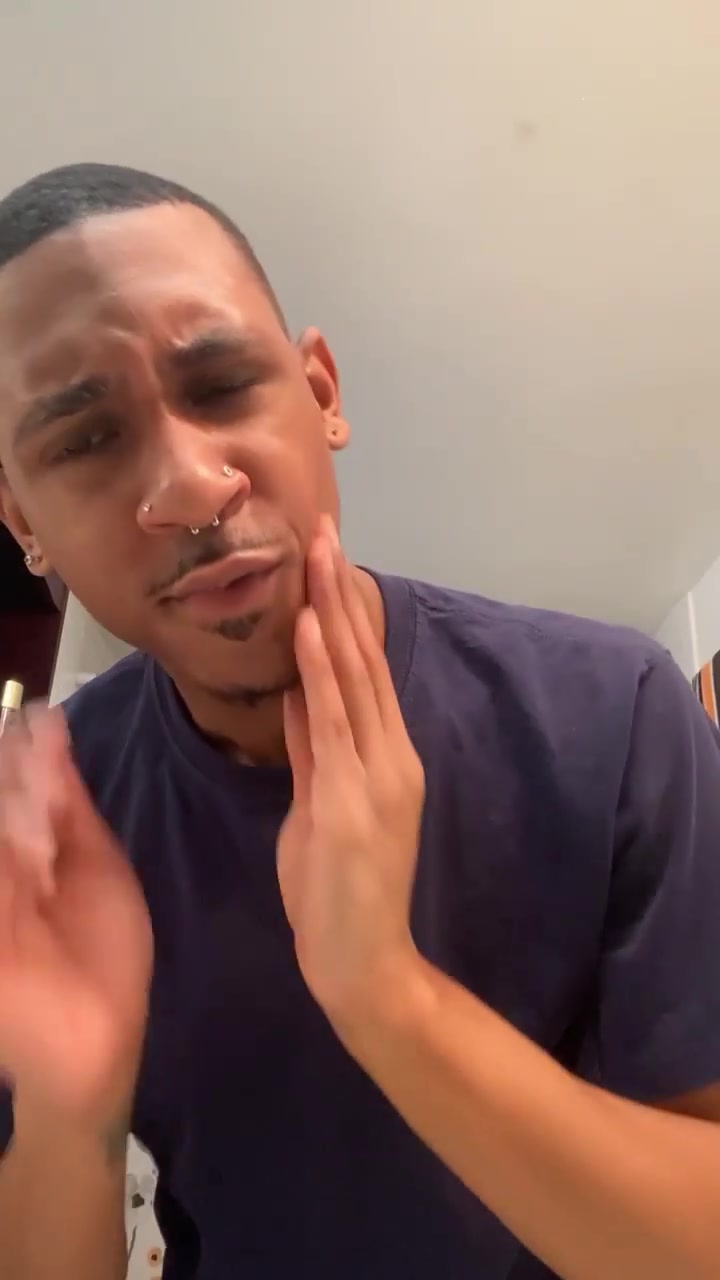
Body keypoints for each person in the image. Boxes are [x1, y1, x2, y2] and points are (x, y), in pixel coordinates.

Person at [0, 164, 718, 1280]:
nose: (191, 485)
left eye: (222, 383)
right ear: (23, 524)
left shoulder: (618, 716)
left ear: (321, 391)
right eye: (85, 441)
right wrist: (65, 1112)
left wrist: (385, 991)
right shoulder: (53, 823)